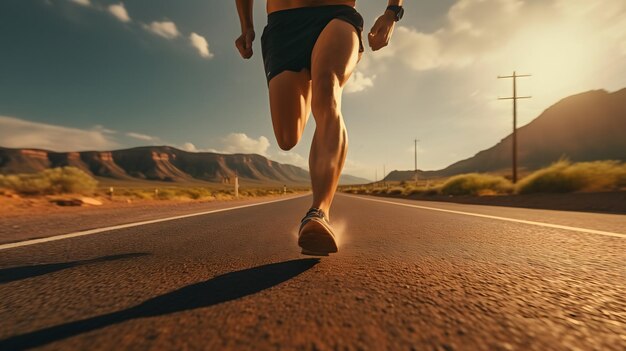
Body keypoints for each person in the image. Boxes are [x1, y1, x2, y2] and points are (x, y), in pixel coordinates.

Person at [235, 0, 404, 255]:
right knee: (287, 137)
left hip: (335, 14)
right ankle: (314, 68)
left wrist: (392, 12)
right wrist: (246, 25)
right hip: (282, 26)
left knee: (327, 89)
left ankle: (319, 212)